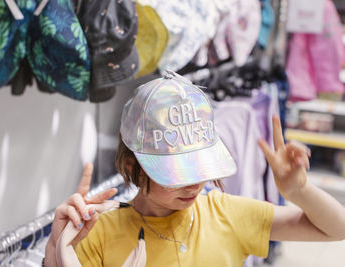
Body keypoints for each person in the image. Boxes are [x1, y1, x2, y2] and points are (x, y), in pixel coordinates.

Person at [44, 71, 345, 266]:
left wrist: (299, 191)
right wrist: (56, 252)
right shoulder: (98, 233)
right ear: (130, 166)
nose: (193, 185)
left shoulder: (226, 213)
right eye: (176, 174)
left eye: (200, 168)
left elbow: (336, 229)